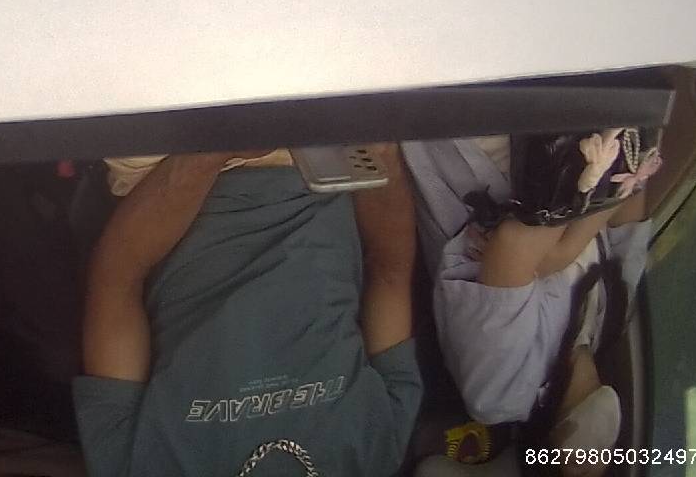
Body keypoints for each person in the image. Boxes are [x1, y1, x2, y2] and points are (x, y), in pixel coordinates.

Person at [73, 146, 423, 476]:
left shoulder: (141, 467)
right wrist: (380, 161)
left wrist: (206, 156)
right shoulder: (377, 453)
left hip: (169, 169)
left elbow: (115, 281)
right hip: (320, 161)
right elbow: (389, 273)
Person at [402, 134, 658, 475]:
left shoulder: (500, 392)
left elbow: (514, 243)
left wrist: (593, 199)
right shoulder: (612, 317)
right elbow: (634, 179)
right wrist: (563, 248)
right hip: (576, 133)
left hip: (474, 147)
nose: (593, 463)